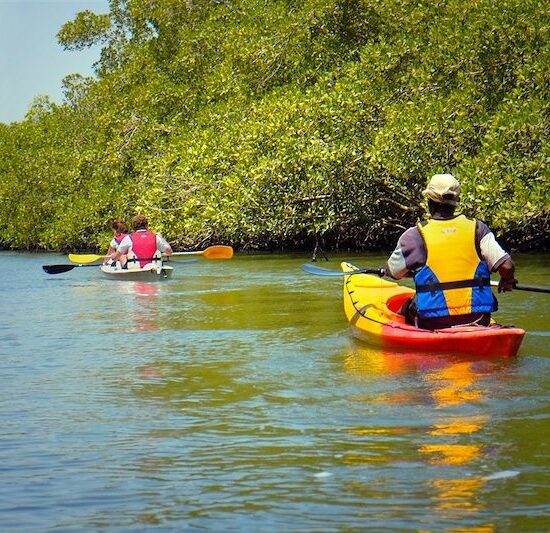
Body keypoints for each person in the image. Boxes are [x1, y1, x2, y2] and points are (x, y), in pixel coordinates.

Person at [385, 173, 517, 330]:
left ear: (429, 201)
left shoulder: (414, 236)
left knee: (406, 306)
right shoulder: (478, 229)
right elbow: (507, 266)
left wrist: (410, 270)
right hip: (478, 318)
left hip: (433, 321)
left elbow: (394, 272)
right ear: (457, 201)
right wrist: (507, 279)